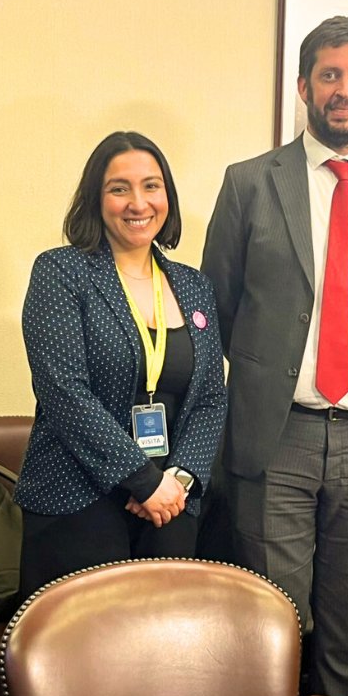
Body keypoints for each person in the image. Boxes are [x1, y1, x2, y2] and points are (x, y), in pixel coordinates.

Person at [201, 16, 348, 696]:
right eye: (330, 75)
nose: (344, 90)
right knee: (273, 628)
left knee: (347, 635)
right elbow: (216, 305)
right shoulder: (249, 184)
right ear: (303, 85)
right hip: (278, 438)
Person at [16, 131, 227, 598]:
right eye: (120, 188)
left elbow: (212, 397)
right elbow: (64, 392)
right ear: (97, 198)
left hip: (171, 505)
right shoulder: (61, 272)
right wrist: (142, 480)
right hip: (79, 498)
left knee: (164, 657)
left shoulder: (194, 287)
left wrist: (179, 480)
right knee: (82, 661)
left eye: (151, 186)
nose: (138, 203)